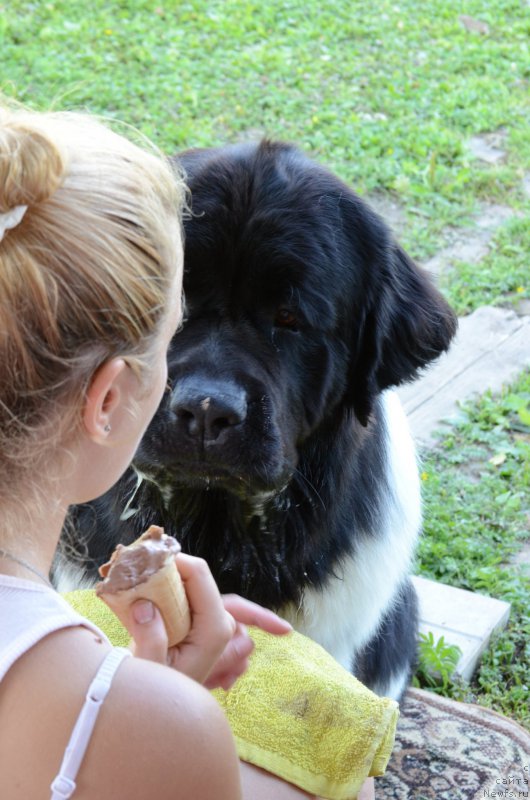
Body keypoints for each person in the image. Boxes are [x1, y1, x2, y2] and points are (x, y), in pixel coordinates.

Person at [0, 102, 375, 800]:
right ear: (109, 400)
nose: (205, 396)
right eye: (179, 331)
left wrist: (143, 688)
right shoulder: (171, 726)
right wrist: (153, 705)